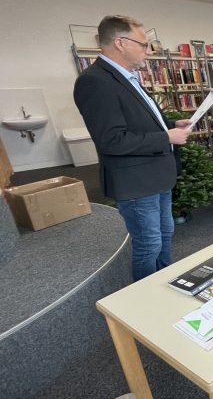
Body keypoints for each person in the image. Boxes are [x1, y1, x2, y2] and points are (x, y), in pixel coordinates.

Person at [73, 15, 192, 281]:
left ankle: (164, 282)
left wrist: (170, 123)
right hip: (136, 182)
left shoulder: (125, 77)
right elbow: (111, 140)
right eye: (144, 44)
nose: (148, 52)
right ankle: (145, 301)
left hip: (156, 176)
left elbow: (139, 122)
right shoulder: (95, 82)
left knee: (164, 234)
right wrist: (167, 138)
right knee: (148, 244)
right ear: (120, 43)